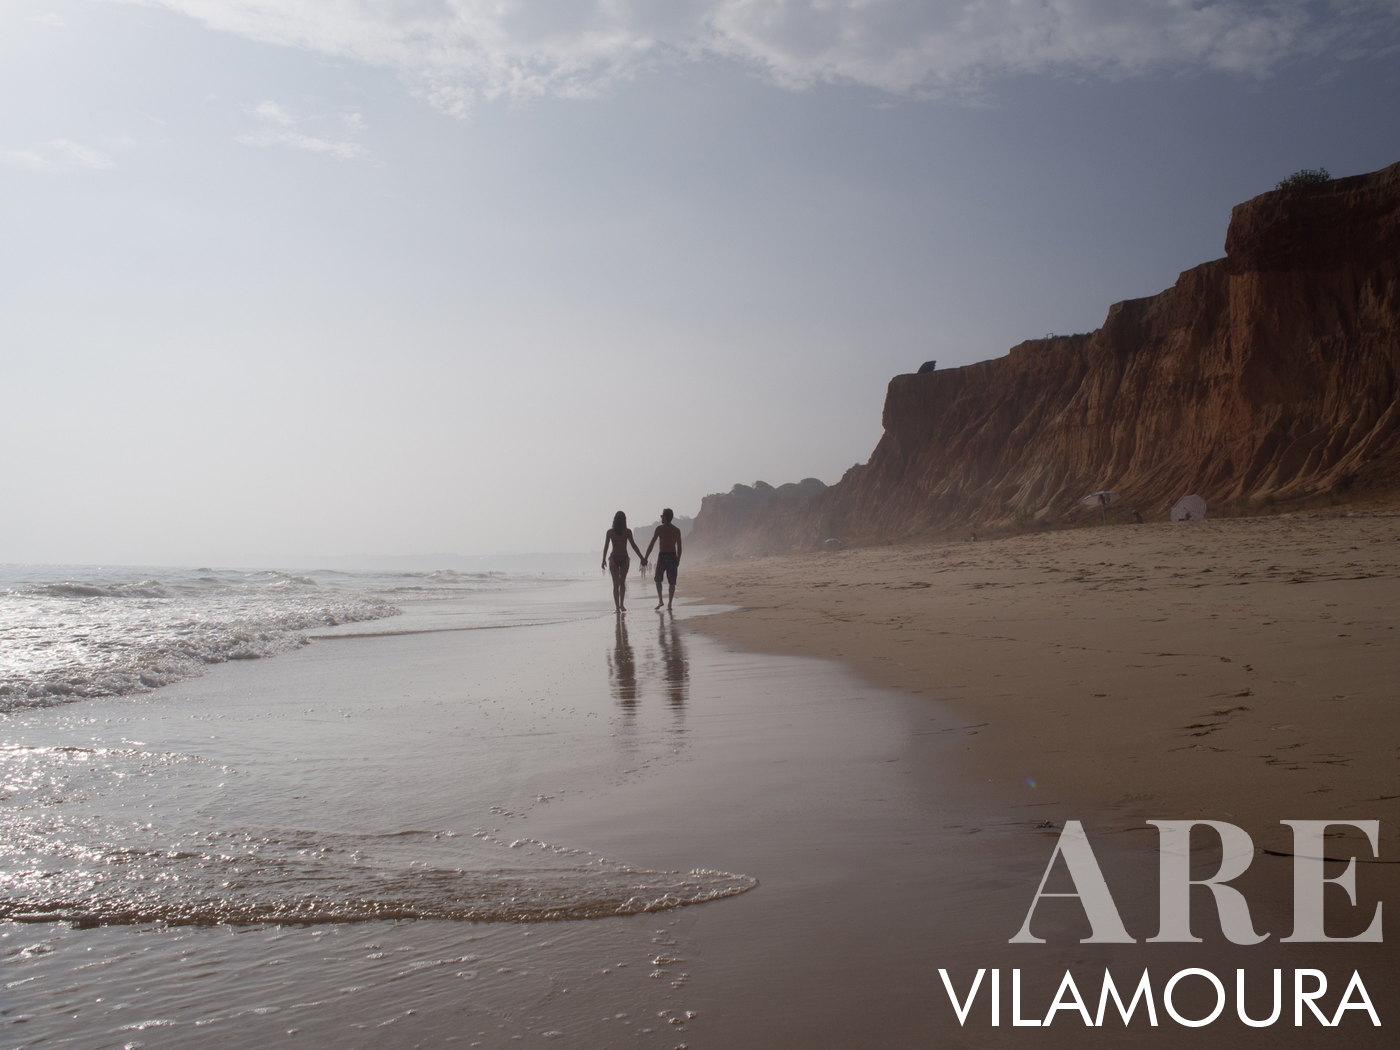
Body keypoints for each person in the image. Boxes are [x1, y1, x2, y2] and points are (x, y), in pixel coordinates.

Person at [601, 511, 645, 613]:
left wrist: (603, 559)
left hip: (616, 558)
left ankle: (618, 607)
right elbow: (633, 546)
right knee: (621, 583)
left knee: (616, 584)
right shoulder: (623, 532)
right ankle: (621, 605)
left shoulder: (615, 532)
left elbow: (606, 547)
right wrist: (641, 558)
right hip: (622, 558)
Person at [643, 508, 683, 612]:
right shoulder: (673, 530)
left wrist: (646, 557)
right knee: (660, 580)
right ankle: (664, 602)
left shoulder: (667, 529)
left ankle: (668, 602)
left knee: (669, 582)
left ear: (665, 517)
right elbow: (679, 548)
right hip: (667, 556)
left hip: (667, 556)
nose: (661, 518)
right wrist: (678, 559)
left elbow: (652, 544)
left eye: (662, 516)